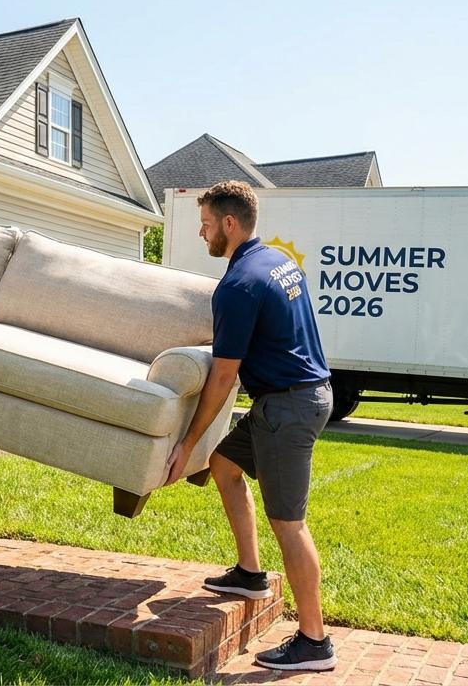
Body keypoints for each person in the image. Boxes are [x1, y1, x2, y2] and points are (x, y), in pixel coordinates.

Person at [163, 179, 336, 672]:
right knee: (224, 465)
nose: (202, 234)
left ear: (229, 224)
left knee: (290, 523)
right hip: (294, 398)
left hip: (288, 409)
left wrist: (186, 440)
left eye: (205, 225)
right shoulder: (279, 262)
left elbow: (222, 375)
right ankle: (249, 574)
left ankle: (313, 642)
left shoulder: (238, 286)